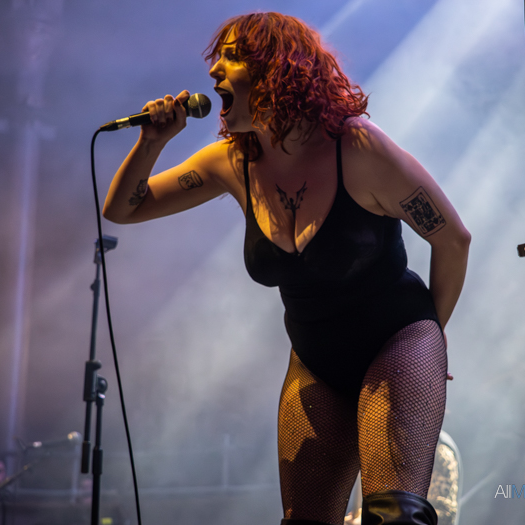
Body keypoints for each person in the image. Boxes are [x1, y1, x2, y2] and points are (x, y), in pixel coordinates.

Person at [103, 12, 470, 525]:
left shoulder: (357, 148)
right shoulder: (231, 162)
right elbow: (123, 209)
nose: (213, 72)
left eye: (231, 57)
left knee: (394, 516)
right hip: (314, 357)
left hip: (397, 340)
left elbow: (453, 238)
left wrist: (433, 334)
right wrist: (152, 142)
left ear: (278, 69)